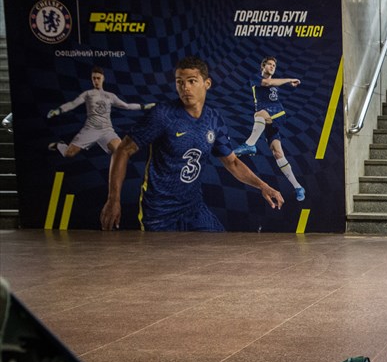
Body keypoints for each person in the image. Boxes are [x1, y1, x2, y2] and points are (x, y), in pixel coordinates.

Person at [100, 56, 284, 232]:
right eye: (180, 81)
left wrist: (263, 186)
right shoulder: (162, 115)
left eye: (192, 81)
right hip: (159, 212)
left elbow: (232, 162)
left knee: (222, 252)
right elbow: (122, 150)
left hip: (193, 208)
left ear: (207, 84)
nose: (185, 87)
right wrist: (113, 199)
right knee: (164, 264)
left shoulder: (213, 119)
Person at [231, 56, 305, 202]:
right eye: (269, 64)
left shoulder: (274, 83)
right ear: (262, 67)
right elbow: (267, 82)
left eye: (273, 65)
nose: (272, 67)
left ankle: (250, 144)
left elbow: (272, 83)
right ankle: (298, 187)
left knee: (259, 115)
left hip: (277, 113)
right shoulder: (255, 78)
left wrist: (289, 80)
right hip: (267, 120)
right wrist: (289, 80)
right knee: (277, 153)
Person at [46, 67, 154, 160]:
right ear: (92, 79)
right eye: (94, 78)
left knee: (121, 153)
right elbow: (73, 104)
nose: (96, 81)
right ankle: (60, 145)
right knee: (68, 154)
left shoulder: (110, 96)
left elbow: (126, 106)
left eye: (98, 78)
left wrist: (144, 106)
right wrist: (58, 110)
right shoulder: (88, 94)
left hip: (107, 130)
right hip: (90, 129)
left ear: (103, 78)